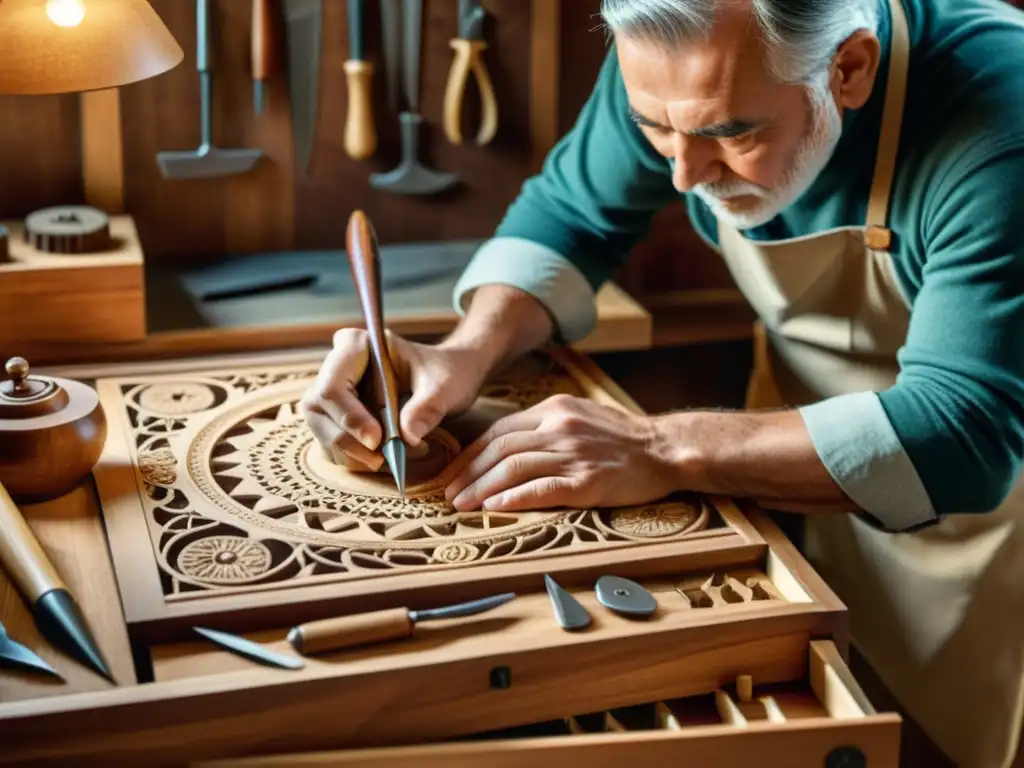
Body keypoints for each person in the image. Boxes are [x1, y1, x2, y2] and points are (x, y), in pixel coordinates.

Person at [301, 0, 1024, 764]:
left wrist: (663, 445)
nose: (681, 173)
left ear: (848, 69)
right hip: (799, 475)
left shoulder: (1000, 123)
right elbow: (570, 218)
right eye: (654, 130)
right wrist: (467, 350)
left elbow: (965, 434)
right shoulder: (681, 63)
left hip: (989, 534)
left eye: (729, 134)